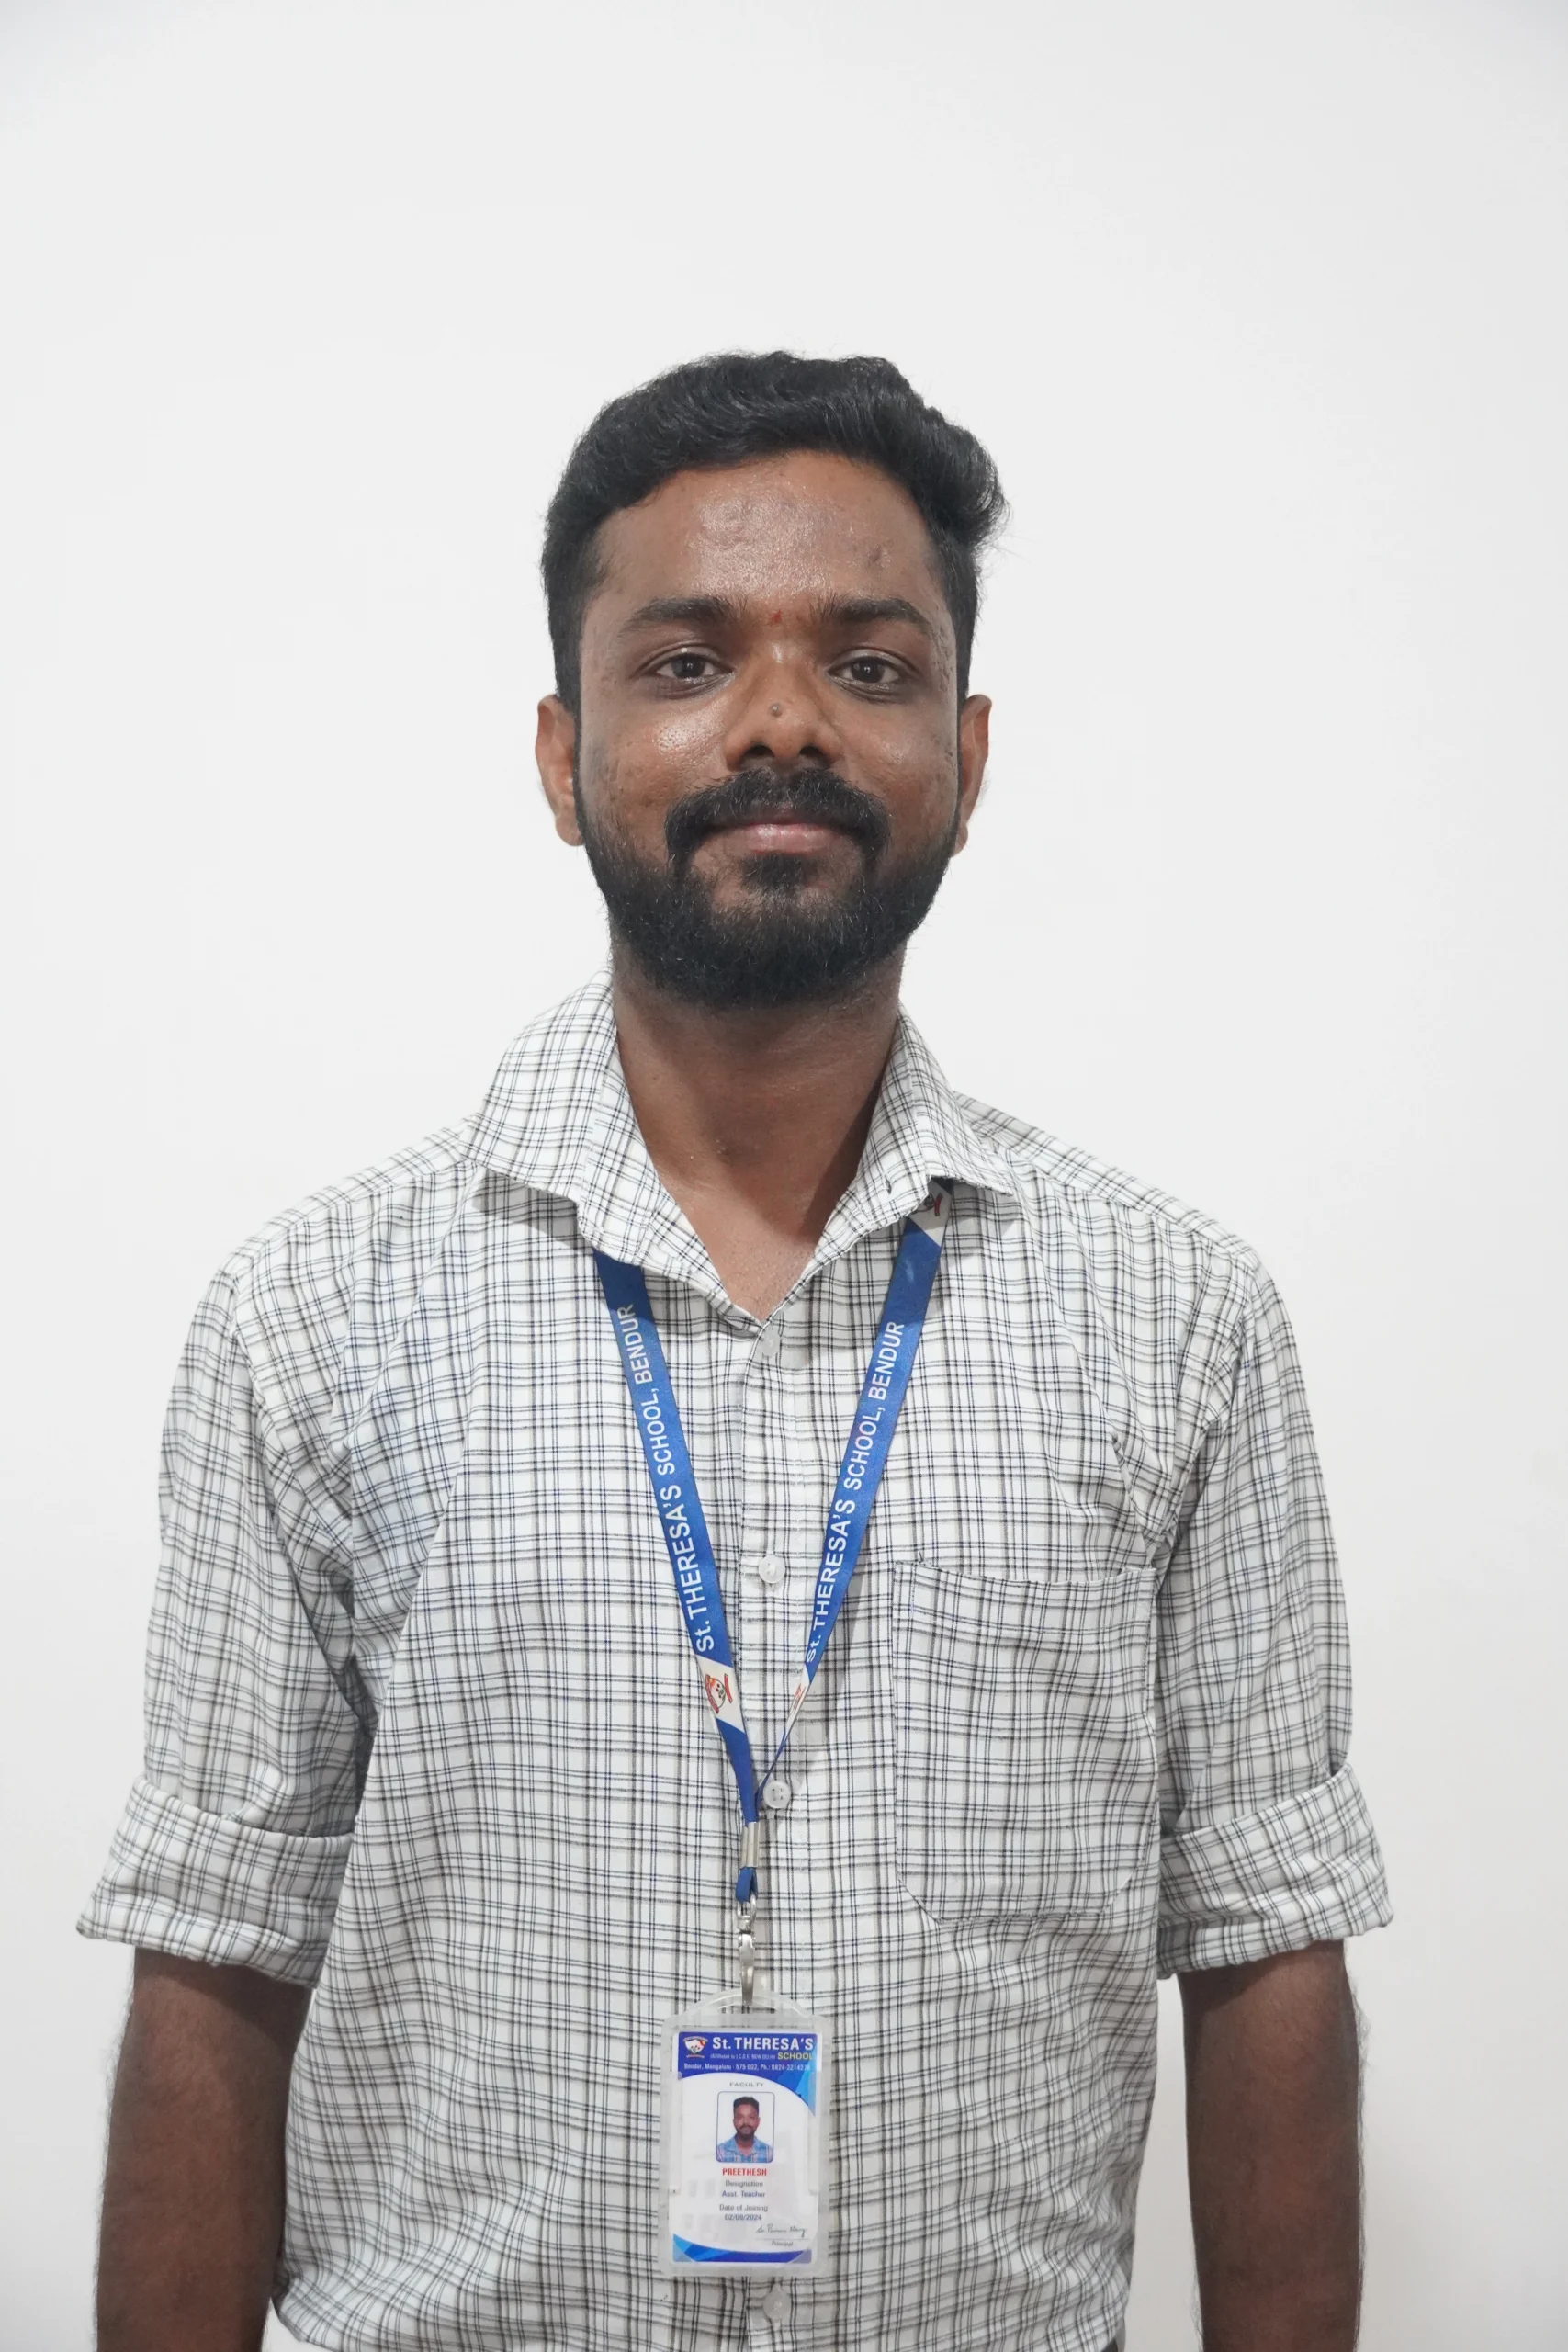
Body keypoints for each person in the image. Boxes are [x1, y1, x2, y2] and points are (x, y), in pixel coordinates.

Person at [84, 351, 1390, 2352]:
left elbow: (1265, 1941)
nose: (781, 720)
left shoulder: (1177, 1316)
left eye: (868, 667)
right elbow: (215, 1952)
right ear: (560, 752)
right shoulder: (310, 1315)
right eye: (686, 663)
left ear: (966, 750)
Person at [716, 2097, 773, 2166]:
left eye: (751, 2117)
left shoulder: (768, 2153)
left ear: (758, 2121)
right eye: (740, 2117)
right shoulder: (720, 2153)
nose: (746, 2122)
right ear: (734, 2121)